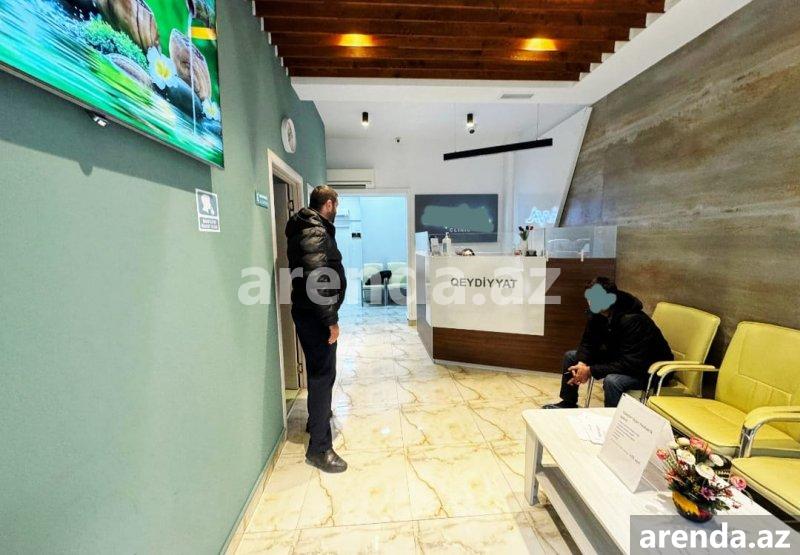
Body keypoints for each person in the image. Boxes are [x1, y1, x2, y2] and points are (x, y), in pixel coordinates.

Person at [286, 185, 347, 473]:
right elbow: (318, 279)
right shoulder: (315, 230)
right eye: (336, 205)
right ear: (329, 204)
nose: (337, 210)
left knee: (317, 371)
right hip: (316, 317)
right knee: (324, 375)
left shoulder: (305, 226)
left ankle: (316, 420)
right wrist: (330, 320)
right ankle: (320, 448)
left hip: (307, 313)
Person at [544, 277, 673, 409]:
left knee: (613, 381)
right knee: (571, 357)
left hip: (648, 370)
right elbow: (588, 342)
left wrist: (590, 370)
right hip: (620, 357)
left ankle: (613, 419)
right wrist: (582, 363)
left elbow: (631, 363)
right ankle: (568, 403)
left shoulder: (633, 320)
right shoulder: (597, 312)